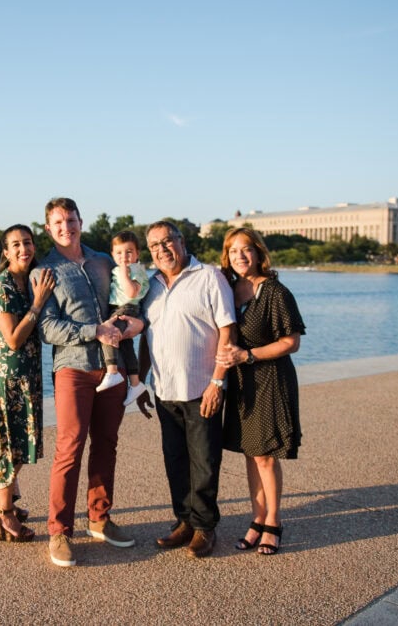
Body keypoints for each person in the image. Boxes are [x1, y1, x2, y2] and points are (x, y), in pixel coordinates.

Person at [36, 197, 143, 567]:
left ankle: (99, 518)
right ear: (48, 228)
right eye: (58, 222)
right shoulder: (45, 271)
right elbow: (47, 327)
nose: (66, 226)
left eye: (71, 219)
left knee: (107, 444)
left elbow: (132, 298)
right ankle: (59, 531)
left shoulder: (103, 261)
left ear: (81, 221)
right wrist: (92, 330)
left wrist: (133, 325)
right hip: (74, 368)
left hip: (112, 369)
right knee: (70, 446)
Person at [137, 220, 236, 558]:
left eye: (167, 242)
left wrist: (217, 382)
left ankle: (205, 527)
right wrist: (140, 382)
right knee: (175, 460)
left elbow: (227, 331)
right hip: (164, 390)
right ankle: (185, 521)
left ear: (181, 241)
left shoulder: (209, 277)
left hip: (201, 389)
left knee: (205, 462)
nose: (162, 250)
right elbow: (146, 338)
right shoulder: (149, 286)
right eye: (154, 246)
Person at [216, 226, 305, 556]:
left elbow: (291, 342)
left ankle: (274, 521)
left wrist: (249, 355)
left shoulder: (275, 292)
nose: (240, 256)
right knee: (251, 455)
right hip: (240, 382)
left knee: (265, 456)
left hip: (270, 378)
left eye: (246, 249)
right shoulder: (229, 288)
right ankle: (256, 518)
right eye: (233, 250)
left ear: (258, 253)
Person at [0, 224, 56, 543]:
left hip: (29, 373)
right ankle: (4, 512)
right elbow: (13, 340)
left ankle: (0, 498)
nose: (22, 249)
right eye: (15, 245)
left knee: (25, 442)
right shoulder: (4, 288)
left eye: (26, 242)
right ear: (6, 252)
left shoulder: (31, 280)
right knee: (9, 445)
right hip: (7, 374)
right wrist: (38, 304)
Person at [95, 230, 150, 406]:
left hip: (126, 307)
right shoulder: (119, 269)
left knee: (107, 334)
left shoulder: (136, 270)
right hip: (119, 307)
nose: (124, 256)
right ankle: (135, 383)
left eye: (129, 252)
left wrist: (125, 274)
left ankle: (112, 372)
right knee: (126, 346)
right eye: (119, 252)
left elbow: (132, 292)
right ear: (112, 254)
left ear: (137, 254)